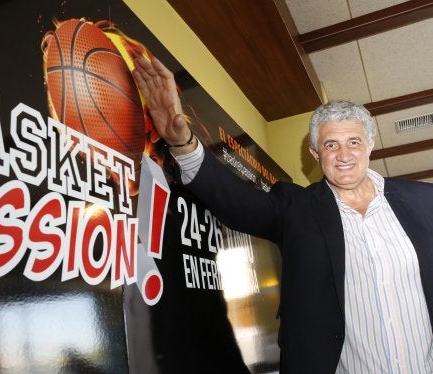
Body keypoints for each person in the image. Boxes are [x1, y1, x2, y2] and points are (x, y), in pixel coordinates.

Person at [132, 55, 433, 373]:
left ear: (370, 146)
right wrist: (182, 143)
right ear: (316, 154)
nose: (344, 155)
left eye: (354, 142)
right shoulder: (297, 208)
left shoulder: (424, 202)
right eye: (331, 145)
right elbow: (236, 202)